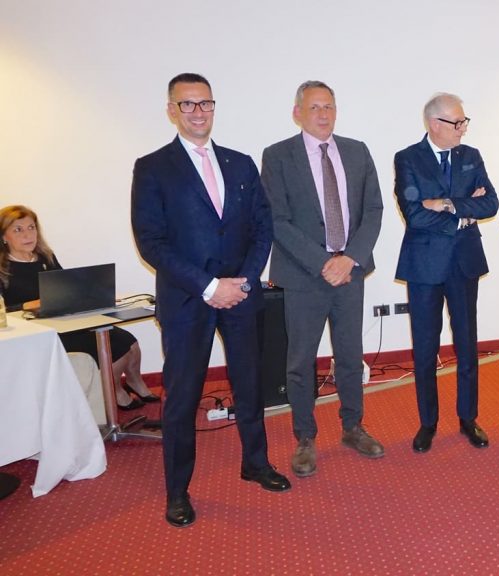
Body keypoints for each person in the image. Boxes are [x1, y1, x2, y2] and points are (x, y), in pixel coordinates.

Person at [131, 73, 290, 528]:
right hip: (187, 299)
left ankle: (255, 462)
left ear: (214, 107)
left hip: (241, 295)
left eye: (205, 103)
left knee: (250, 385)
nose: (198, 112)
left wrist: (244, 280)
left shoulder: (241, 164)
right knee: (182, 397)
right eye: (187, 104)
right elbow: (151, 241)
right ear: (172, 110)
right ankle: (178, 490)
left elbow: (263, 227)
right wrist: (208, 286)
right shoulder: (153, 167)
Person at [261, 80, 385, 476]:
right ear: (297, 113)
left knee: (349, 355)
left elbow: (373, 210)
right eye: (314, 107)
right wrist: (322, 262)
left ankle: (353, 427)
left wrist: (349, 259)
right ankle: (305, 437)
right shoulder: (278, 156)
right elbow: (277, 219)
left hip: (350, 272)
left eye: (329, 106)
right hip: (303, 275)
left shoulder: (357, 151)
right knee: (300, 361)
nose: (323, 114)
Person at [394, 92, 498, 453]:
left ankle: (468, 418)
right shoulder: (408, 158)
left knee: (467, 344)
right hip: (424, 265)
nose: (463, 128)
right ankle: (428, 422)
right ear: (434, 124)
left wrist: (446, 204)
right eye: (457, 122)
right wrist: (463, 214)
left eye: (464, 121)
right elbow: (414, 214)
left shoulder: (471, 156)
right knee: (425, 347)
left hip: (464, 262)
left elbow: (490, 203)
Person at [0, 205, 158, 410]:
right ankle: (115, 392)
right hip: (42, 333)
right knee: (118, 349)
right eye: (18, 230)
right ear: (4, 237)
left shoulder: (46, 257)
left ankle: (134, 382)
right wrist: (26, 305)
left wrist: (95, 294)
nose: (27, 234)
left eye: (31, 227)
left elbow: (67, 288)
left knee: (130, 342)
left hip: (67, 321)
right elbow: (4, 312)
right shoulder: (3, 269)